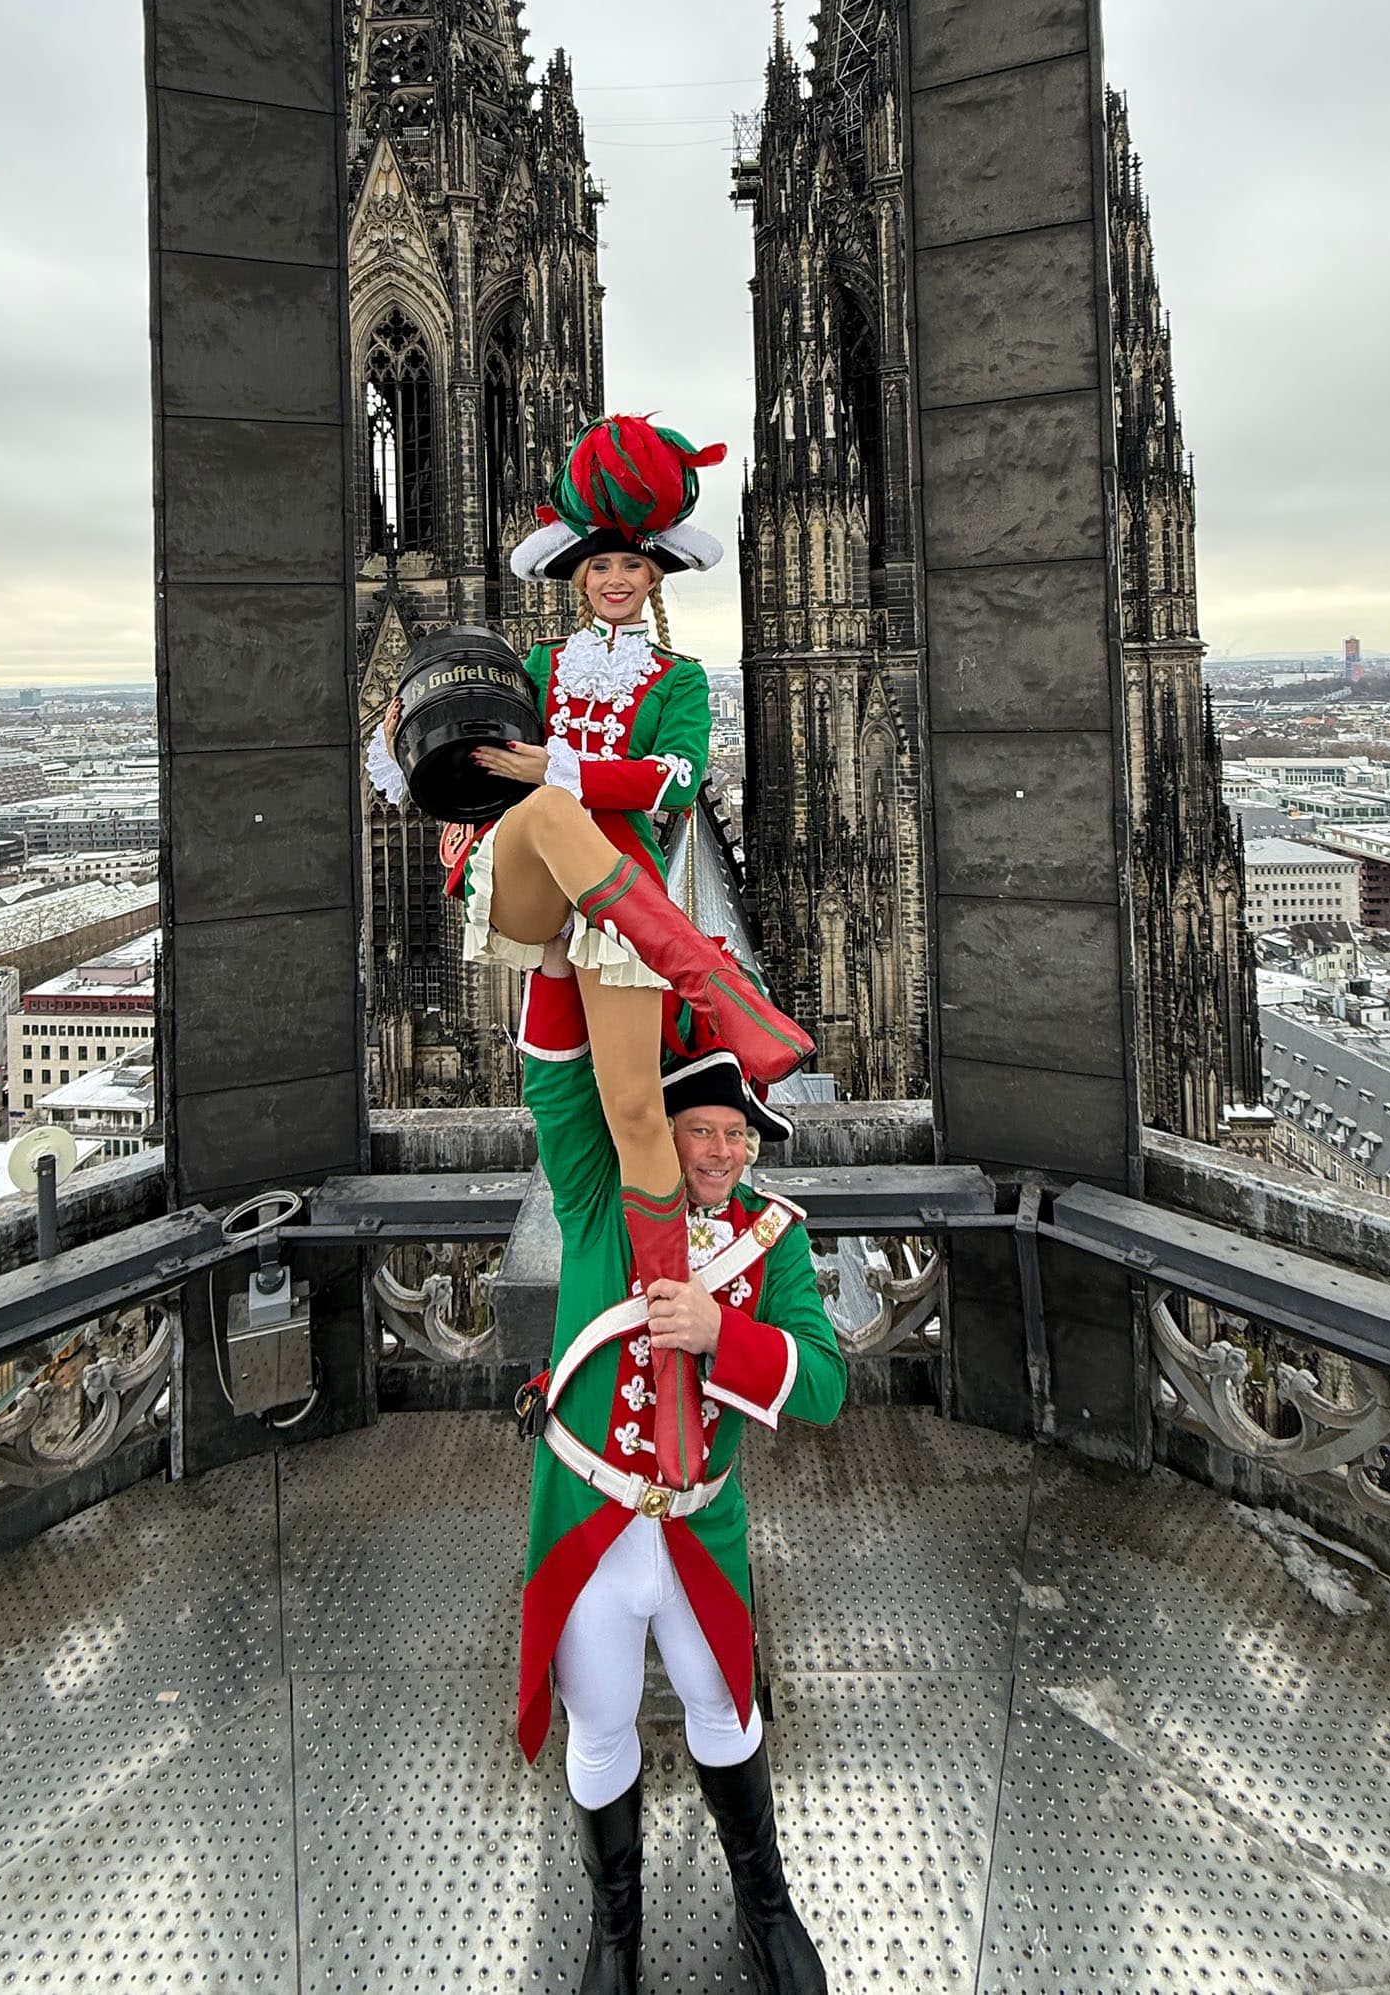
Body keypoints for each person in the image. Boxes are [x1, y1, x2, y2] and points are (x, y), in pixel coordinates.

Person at [367, 414, 814, 1493]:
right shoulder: (530, 664)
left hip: (615, 919)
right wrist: (401, 727)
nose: (616, 579)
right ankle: (713, 985)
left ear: (652, 577)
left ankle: (665, 1384)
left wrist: (553, 765)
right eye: (601, 565)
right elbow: (443, 760)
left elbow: (670, 782)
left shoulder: (679, 677)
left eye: (632, 566)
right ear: (579, 578)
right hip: (532, 890)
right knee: (549, 818)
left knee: (630, 1117)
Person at [514, 955, 842, 1994]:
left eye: (735, 1135)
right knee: (601, 1721)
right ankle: (615, 1937)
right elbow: (557, 1078)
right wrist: (571, 931)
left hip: (701, 1530)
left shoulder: (772, 1241)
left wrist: (720, 1334)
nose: (717, 1150)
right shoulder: (597, 1199)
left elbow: (824, 1383)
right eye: (697, 1129)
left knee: (726, 1712)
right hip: (591, 1525)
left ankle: (766, 1905)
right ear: (660, 1132)